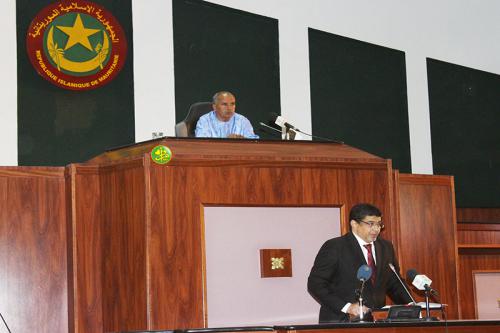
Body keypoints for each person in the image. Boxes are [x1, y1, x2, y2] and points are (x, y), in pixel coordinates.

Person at [307, 203, 413, 322]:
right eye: (370, 224)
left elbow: (394, 283)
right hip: (341, 321)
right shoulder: (335, 247)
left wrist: (412, 305)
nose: (376, 229)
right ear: (354, 224)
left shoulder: (385, 247)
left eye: (379, 224)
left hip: (376, 321)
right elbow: (316, 284)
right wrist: (347, 307)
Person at [195, 91, 259, 139]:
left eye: (232, 104)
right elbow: (202, 144)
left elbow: (254, 142)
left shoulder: (242, 121)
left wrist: (244, 140)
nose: (229, 108)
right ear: (214, 107)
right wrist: (227, 141)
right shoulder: (205, 120)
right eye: (224, 104)